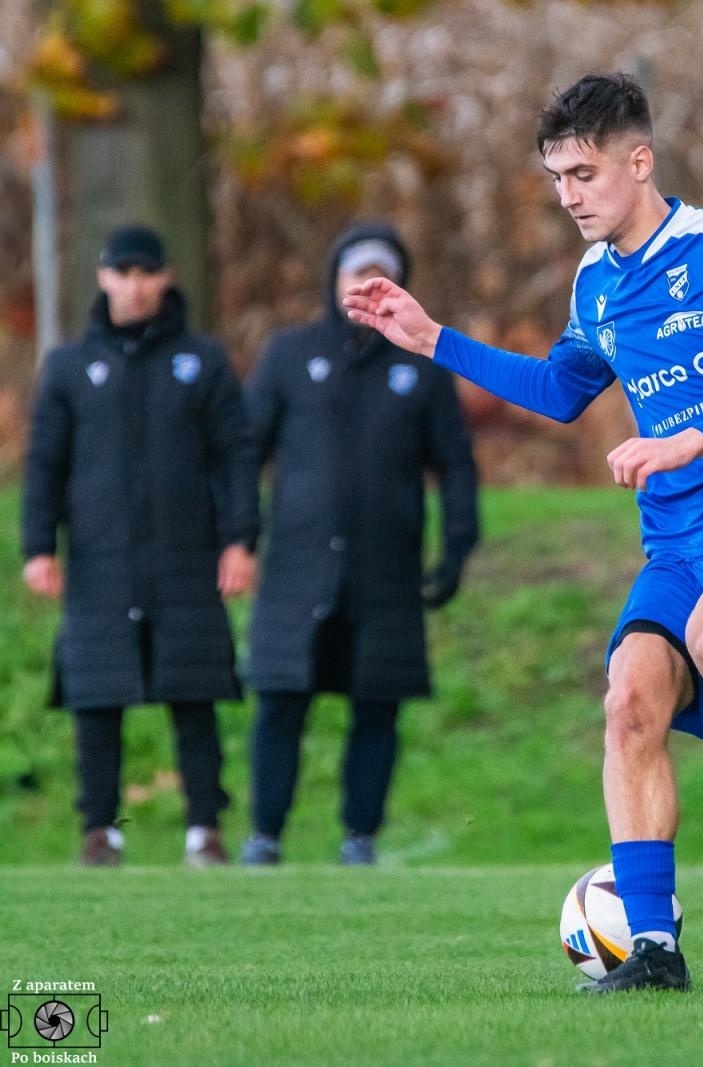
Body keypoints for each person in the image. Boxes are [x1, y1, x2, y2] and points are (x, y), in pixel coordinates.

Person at [343, 73, 703, 992]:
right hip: (681, 541)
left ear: (640, 161)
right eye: (557, 177)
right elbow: (561, 392)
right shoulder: (598, 285)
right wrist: (434, 339)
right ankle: (655, 950)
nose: (569, 195)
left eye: (584, 172)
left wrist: (685, 439)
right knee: (629, 695)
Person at [242, 222, 480, 867]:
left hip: (387, 567)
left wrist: (457, 548)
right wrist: (237, 540)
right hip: (296, 565)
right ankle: (263, 837)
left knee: (378, 704)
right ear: (336, 281)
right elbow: (243, 453)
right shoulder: (288, 355)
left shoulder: (424, 368)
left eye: (383, 275)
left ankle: (360, 838)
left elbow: (455, 464)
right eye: (356, 274)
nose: (367, 287)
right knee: (280, 700)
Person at [22, 224, 258, 868]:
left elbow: (235, 457)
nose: (133, 286)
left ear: (164, 277)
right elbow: (46, 462)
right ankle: (101, 831)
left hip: (186, 557)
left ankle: (204, 831)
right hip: (100, 561)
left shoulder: (201, 362)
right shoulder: (70, 367)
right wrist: (38, 546)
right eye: (121, 273)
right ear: (102, 278)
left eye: (144, 272)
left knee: (195, 692)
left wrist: (240, 540)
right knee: (95, 697)